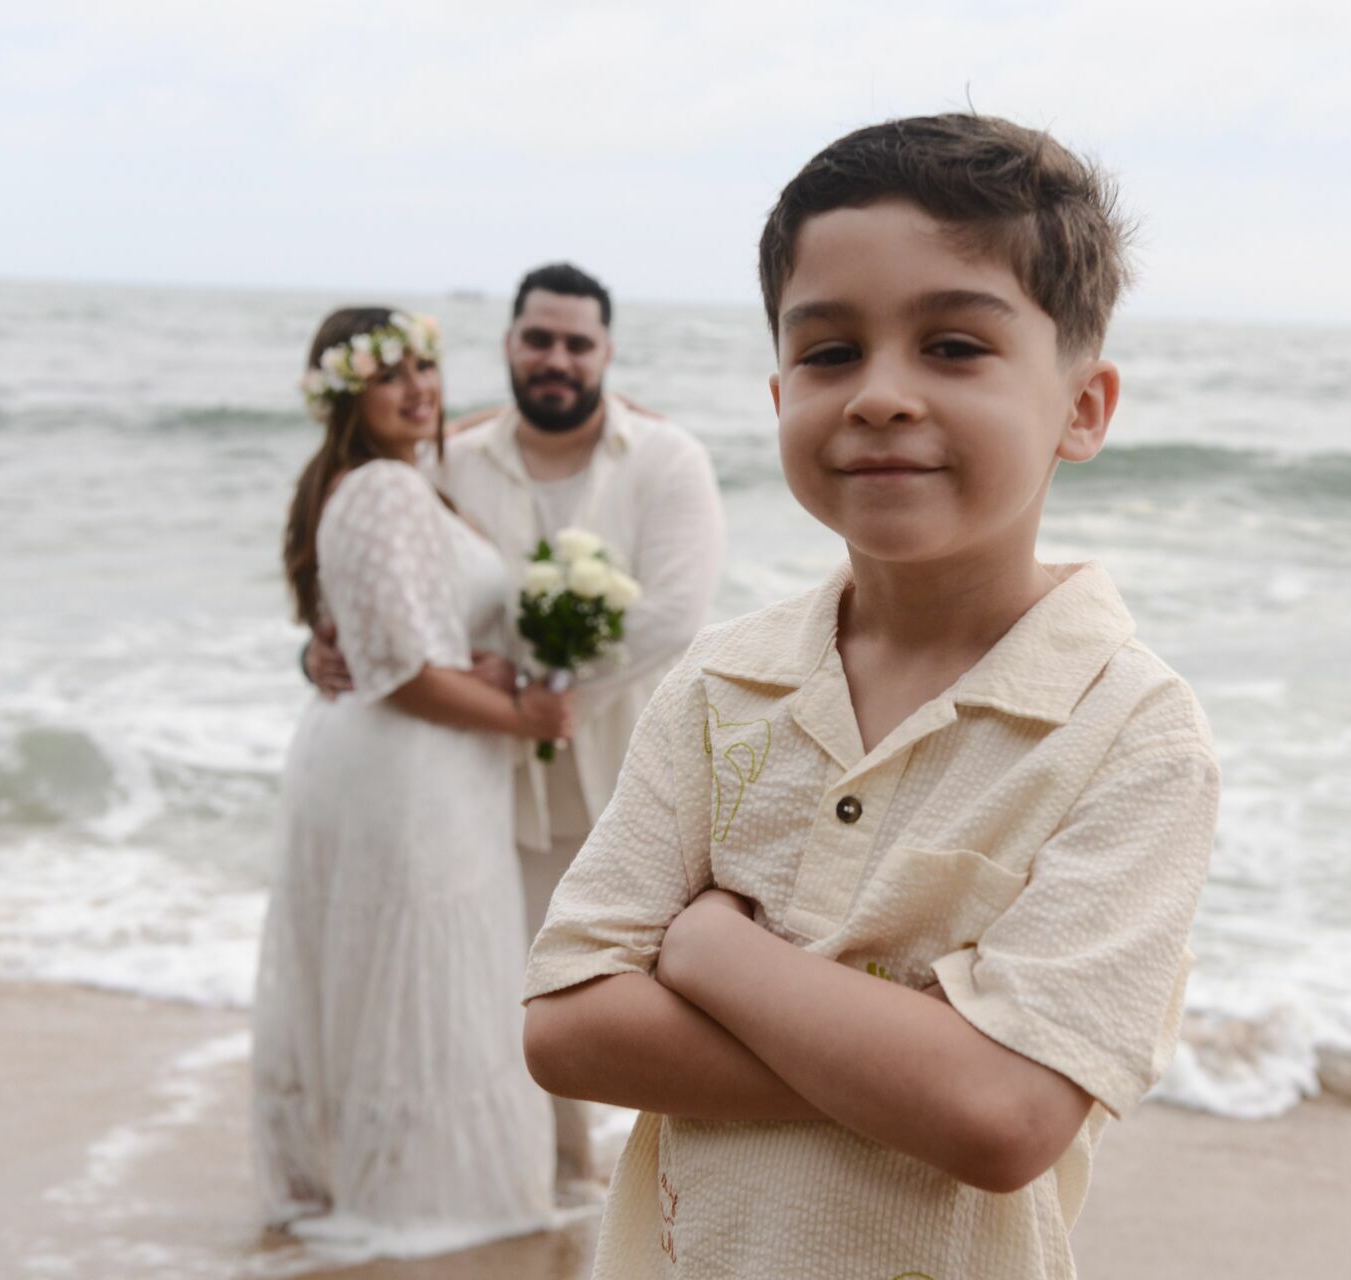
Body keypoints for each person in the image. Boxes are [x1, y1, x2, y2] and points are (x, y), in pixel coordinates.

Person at [520, 115, 1221, 1278]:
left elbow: (1003, 1118)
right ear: (780, 386)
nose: (880, 394)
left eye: (953, 345)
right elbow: (566, 1022)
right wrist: (920, 1064)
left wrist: (712, 953)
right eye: (831, 353)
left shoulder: (1130, 732)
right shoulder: (722, 684)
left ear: (1084, 407)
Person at [306, 264, 724, 1187]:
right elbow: (372, 571)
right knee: (502, 991)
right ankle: (553, 1180)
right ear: (508, 343)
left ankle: (668, 1188)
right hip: (483, 780)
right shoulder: (444, 457)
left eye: (579, 343)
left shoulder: (667, 458)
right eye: (539, 338)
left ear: (608, 353)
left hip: (624, 772)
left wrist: (546, 686)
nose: (557, 359)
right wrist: (320, 649)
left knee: (644, 997)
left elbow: (673, 616)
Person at [252, 307, 570, 1252]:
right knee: (425, 966)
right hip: (409, 768)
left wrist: (487, 672)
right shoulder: (385, 488)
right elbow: (402, 675)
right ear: (348, 392)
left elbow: (400, 642)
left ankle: (389, 1174)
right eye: (391, 373)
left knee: (409, 967)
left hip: (404, 761)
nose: (419, 388)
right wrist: (525, 713)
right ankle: (425, 1195)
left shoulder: (390, 480)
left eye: (427, 366)